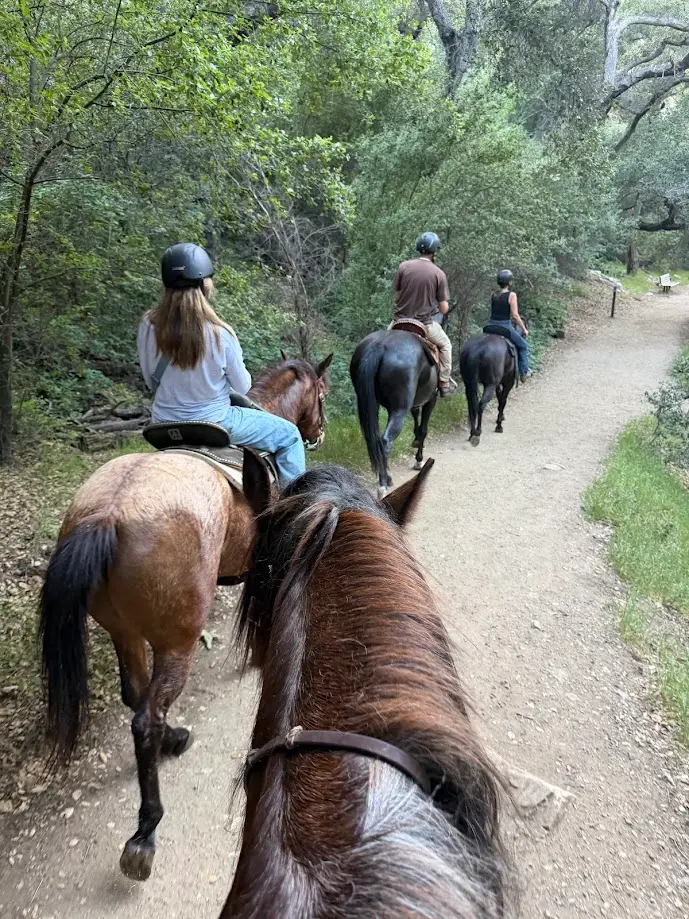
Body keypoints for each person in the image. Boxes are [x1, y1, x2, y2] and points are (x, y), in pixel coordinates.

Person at [137, 242, 305, 486]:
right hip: (214, 422)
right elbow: (243, 385)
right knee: (289, 436)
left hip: (163, 424)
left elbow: (149, 379)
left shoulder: (147, 325)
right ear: (205, 284)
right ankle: (291, 513)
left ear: (165, 285)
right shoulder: (220, 333)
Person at [392, 232, 456, 396]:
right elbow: (443, 309)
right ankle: (444, 382)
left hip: (399, 322)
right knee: (446, 345)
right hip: (424, 325)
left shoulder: (403, 266)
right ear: (434, 251)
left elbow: (397, 296)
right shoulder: (438, 274)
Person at [489, 269, 531, 382]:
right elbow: (515, 316)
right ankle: (524, 372)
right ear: (509, 282)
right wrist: (524, 329)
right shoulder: (511, 295)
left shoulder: (494, 294)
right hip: (504, 327)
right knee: (523, 345)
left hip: (490, 326)